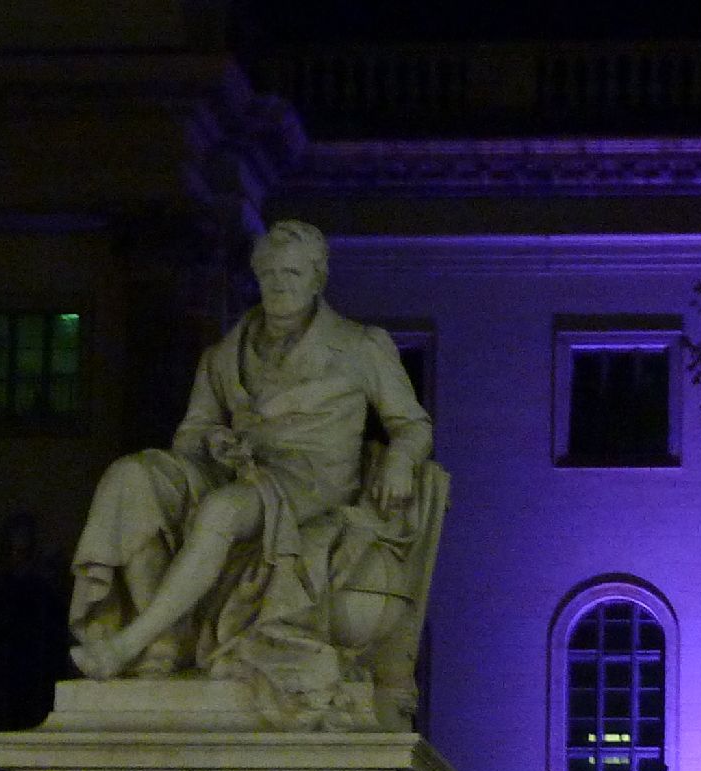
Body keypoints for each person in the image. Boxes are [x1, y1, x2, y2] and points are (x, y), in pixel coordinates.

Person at [67, 221, 434, 688]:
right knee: (132, 478)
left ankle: (128, 644)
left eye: (292, 273)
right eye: (270, 273)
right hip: (236, 470)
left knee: (223, 509)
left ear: (318, 279)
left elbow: (413, 425)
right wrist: (213, 443)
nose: (280, 284)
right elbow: (191, 435)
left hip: (311, 482)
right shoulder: (223, 354)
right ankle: (166, 644)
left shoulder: (361, 346)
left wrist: (400, 461)